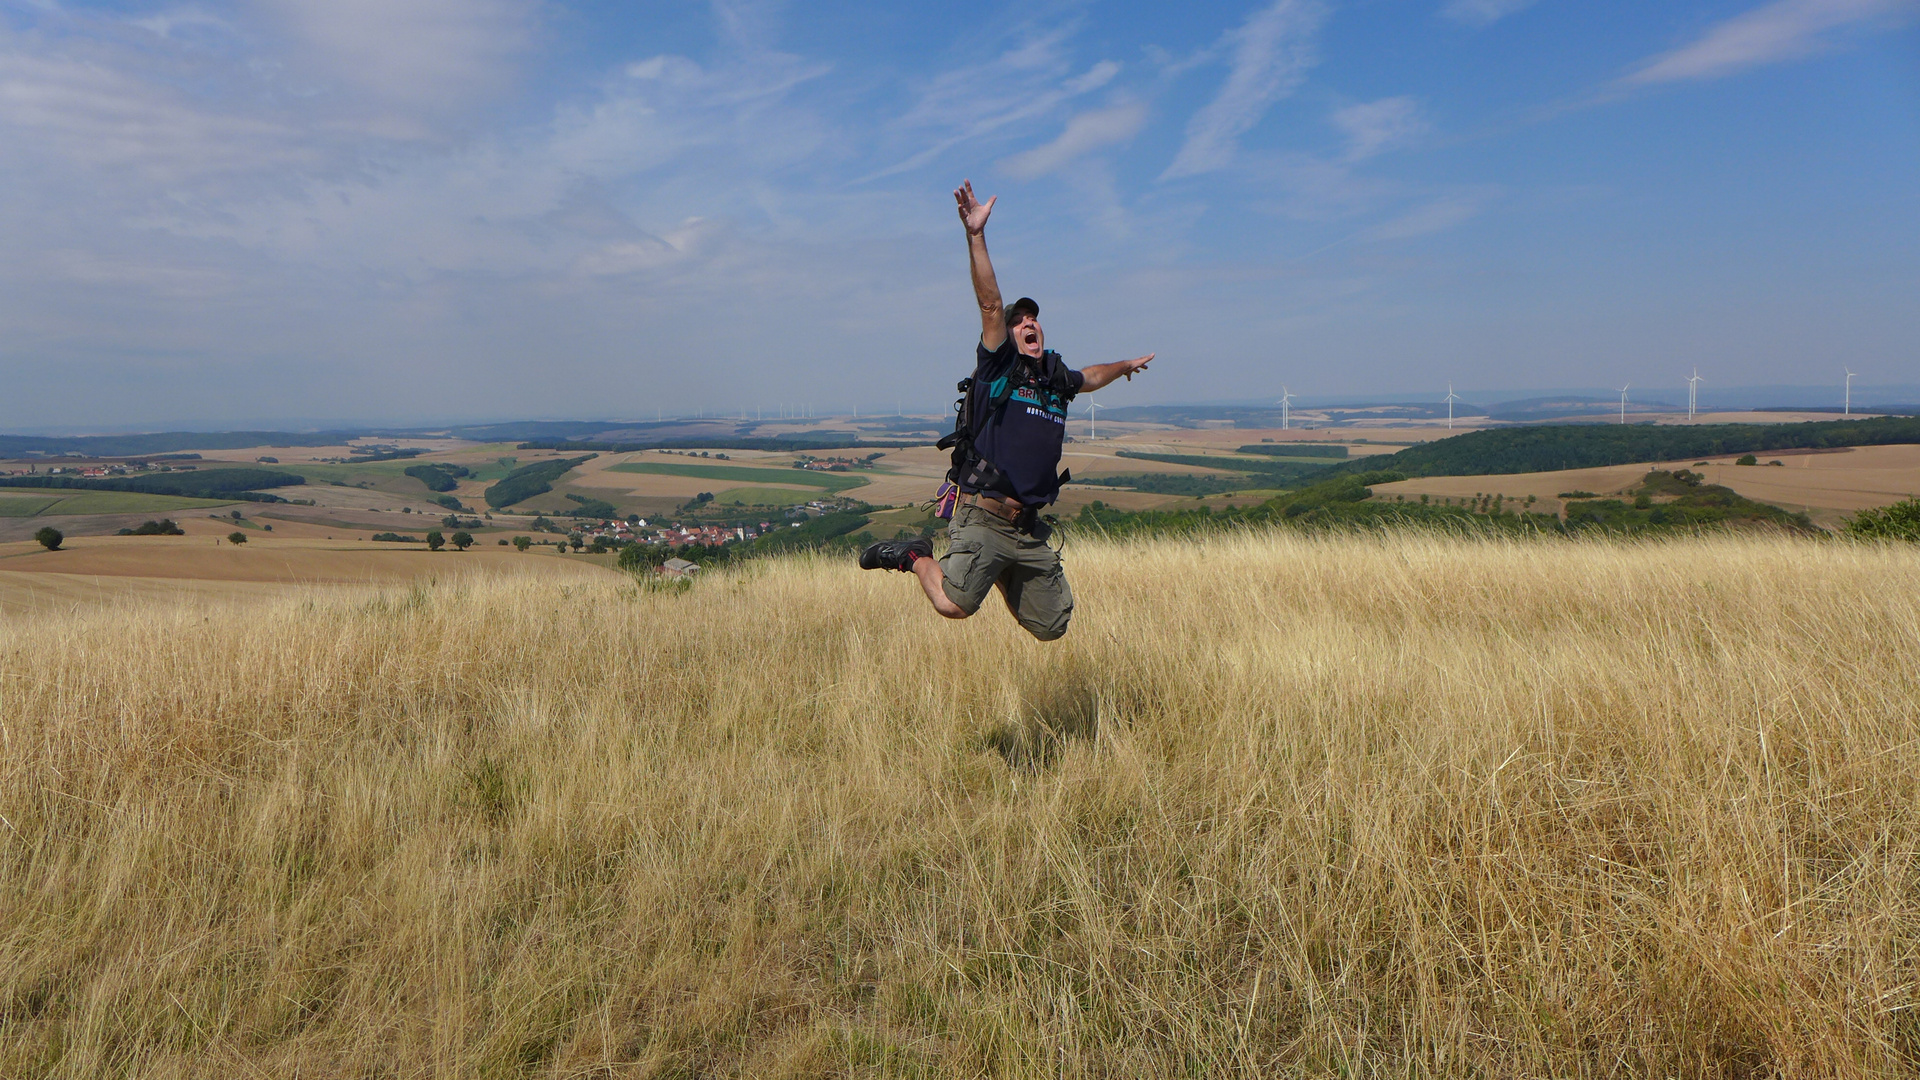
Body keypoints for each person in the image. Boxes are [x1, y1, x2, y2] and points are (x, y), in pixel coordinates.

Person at [858, 180, 1156, 640]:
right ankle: (914, 556)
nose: (1026, 323)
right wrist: (975, 235)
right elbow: (991, 304)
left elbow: (1091, 376)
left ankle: (995, 567)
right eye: (1018, 322)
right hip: (983, 514)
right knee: (953, 604)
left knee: (1052, 625)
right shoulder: (999, 367)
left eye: (1031, 317)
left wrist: (1124, 366)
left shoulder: (1056, 379)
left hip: (1028, 527)